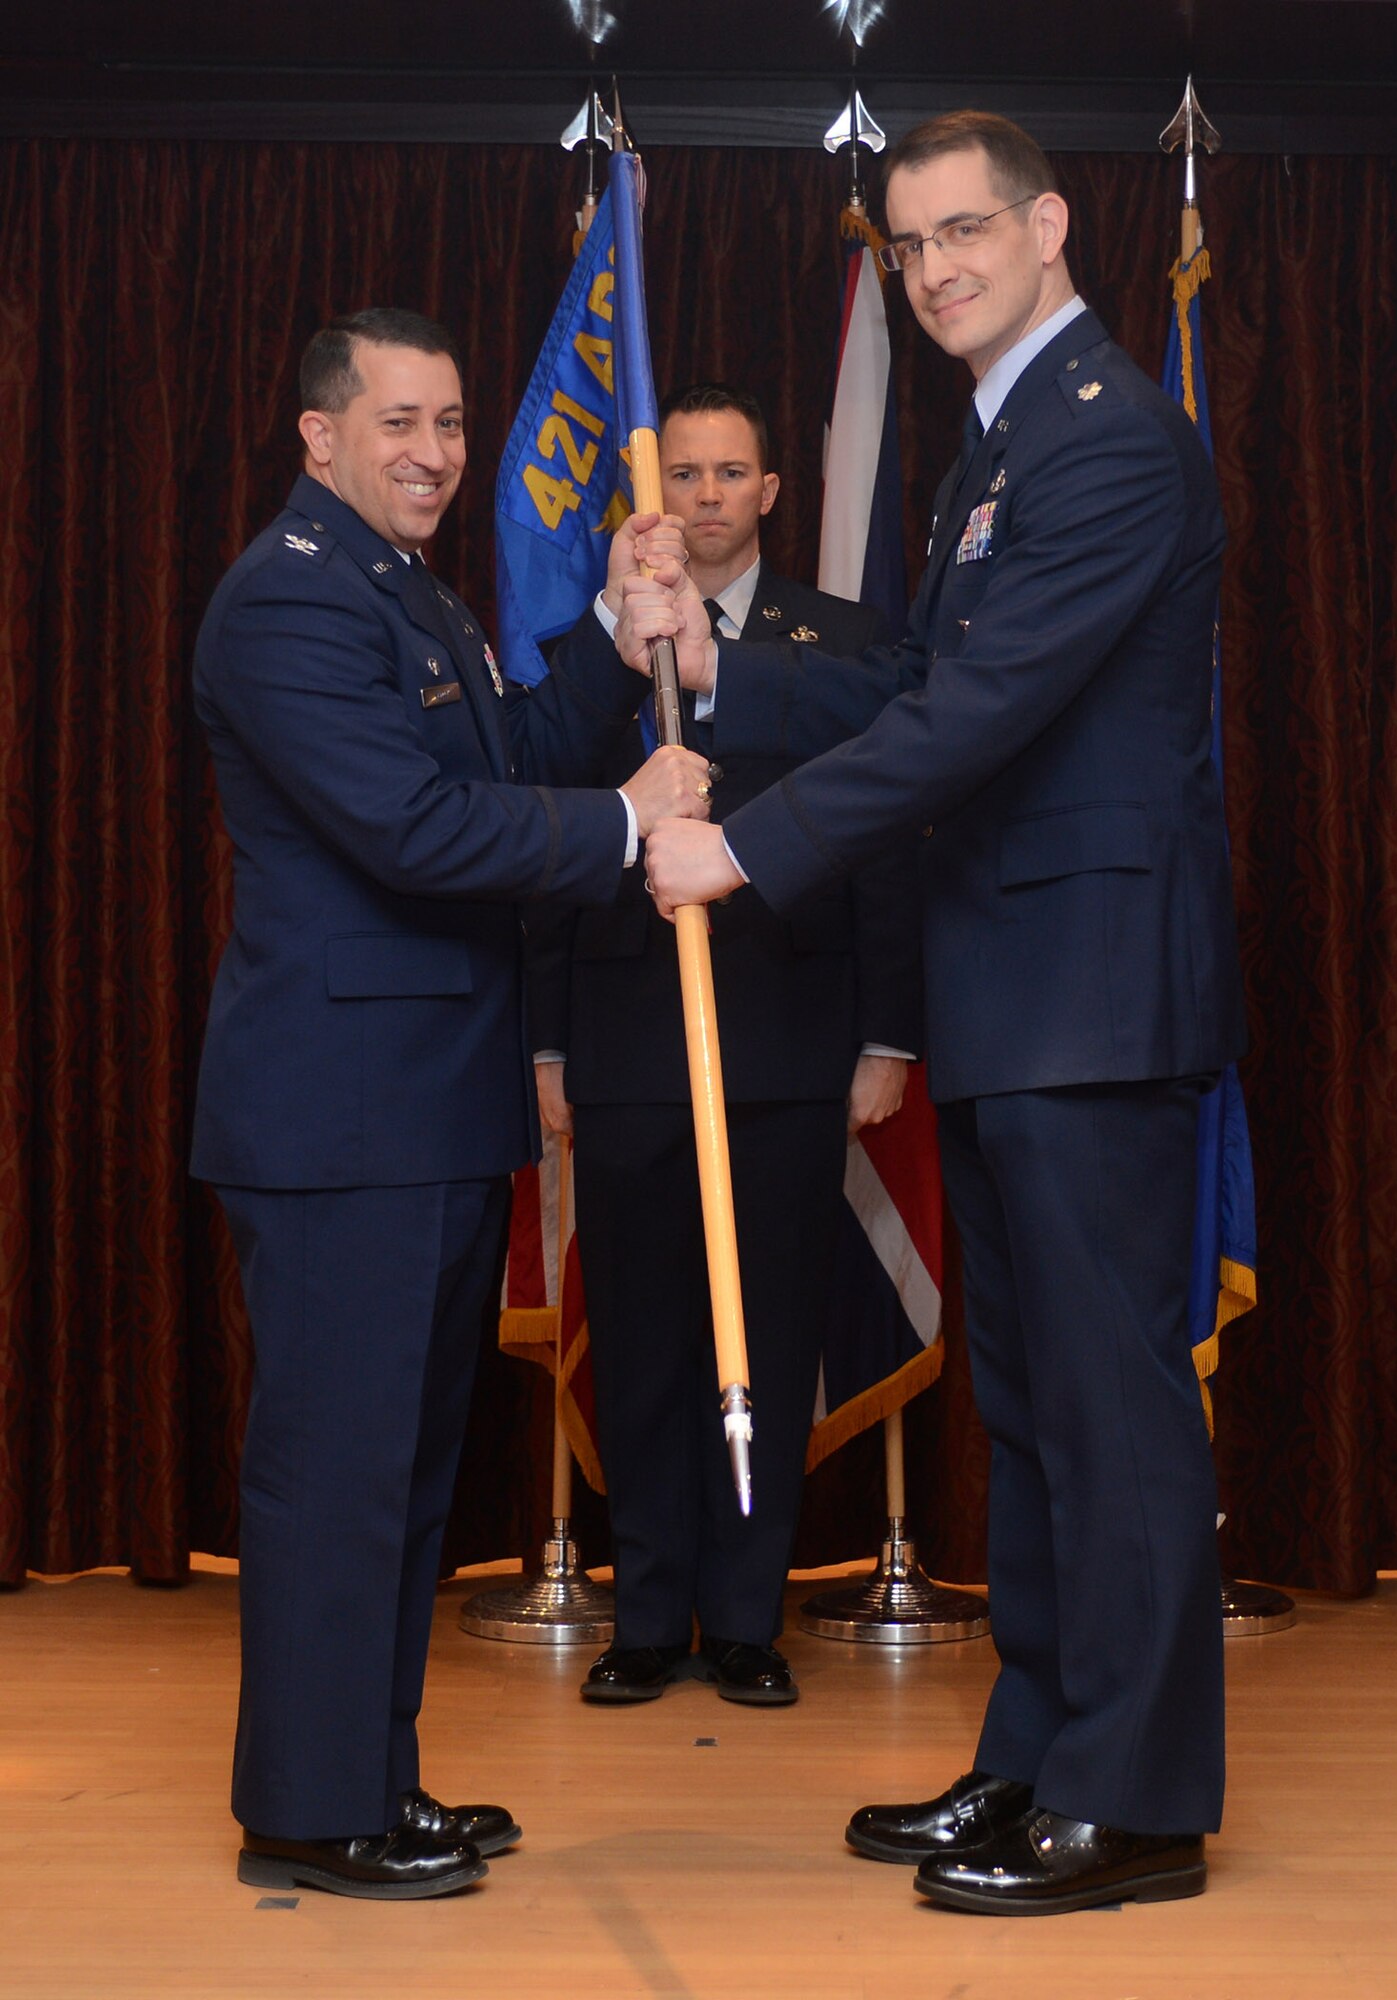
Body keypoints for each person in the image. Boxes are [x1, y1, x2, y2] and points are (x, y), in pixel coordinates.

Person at [627, 113, 1246, 1916]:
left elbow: (981, 719)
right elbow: (916, 679)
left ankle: (1132, 1804)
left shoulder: (1111, 438)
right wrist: (722, 664)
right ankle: (1038, 1755)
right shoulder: (996, 453)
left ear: (1050, 226)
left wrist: (741, 854)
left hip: (1092, 992)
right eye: (910, 246)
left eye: (967, 229)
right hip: (1011, 994)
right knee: (1038, 1408)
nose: (938, 267)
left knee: (1112, 1409)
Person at [190, 307, 710, 1901]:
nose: (431, 452)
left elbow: (504, 755)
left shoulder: (401, 592)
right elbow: (416, 832)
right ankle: (308, 1806)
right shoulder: (285, 605)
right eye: (399, 422)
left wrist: (618, 646)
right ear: (319, 435)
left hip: (419, 1109)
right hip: (343, 1117)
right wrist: (624, 827)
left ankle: (372, 1777)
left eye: (453, 425)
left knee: (401, 1477)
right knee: (334, 1476)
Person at [530, 384, 920, 1707]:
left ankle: (745, 1620)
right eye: (681, 473)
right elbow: (540, 841)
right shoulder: (591, 648)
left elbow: (885, 846)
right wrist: (544, 1046)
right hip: (630, 1035)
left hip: (790, 1033)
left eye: (727, 472)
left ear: (768, 492)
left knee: (766, 1322)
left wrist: (884, 1034)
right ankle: (649, 1619)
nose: (702, 494)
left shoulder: (847, 645)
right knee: (642, 1336)